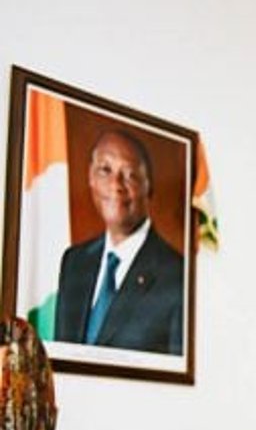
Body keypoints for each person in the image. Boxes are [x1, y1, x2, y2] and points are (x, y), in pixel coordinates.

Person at [54, 129, 184, 354]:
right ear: (91, 178)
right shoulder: (74, 262)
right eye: (105, 170)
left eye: (130, 175)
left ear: (148, 186)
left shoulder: (177, 276)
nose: (116, 185)